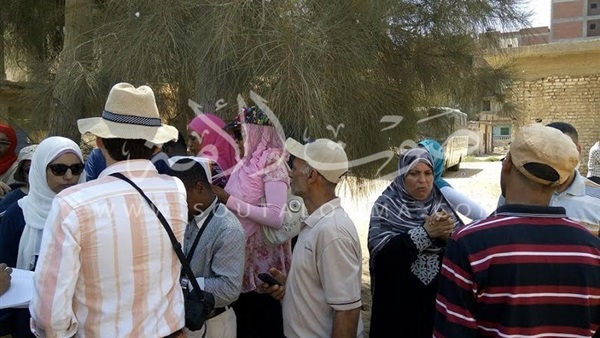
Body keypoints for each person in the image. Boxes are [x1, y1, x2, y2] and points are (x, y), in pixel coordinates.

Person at [29, 83, 187, 337]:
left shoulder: (72, 204)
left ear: (100, 141)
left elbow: (49, 315)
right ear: (156, 147)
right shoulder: (175, 191)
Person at [434, 123, 600, 337]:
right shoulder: (593, 250)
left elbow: (451, 331)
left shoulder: (470, 244)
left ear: (508, 165)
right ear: (559, 182)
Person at [262, 138, 363, 338]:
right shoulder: (316, 223)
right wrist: (292, 286)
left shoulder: (332, 232)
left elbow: (347, 312)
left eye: (295, 167)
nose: (290, 172)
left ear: (312, 176)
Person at [367, 147, 464, 338]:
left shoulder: (442, 206)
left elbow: (464, 255)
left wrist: (448, 238)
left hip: (436, 311)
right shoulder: (385, 206)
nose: (423, 180)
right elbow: (381, 254)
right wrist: (425, 233)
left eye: (428, 173)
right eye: (414, 173)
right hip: (396, 312)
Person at [212, 105, 291, 338]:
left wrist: (228, 200)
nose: (236, 140)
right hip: (240, 261)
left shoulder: (273, 161)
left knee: (261, 325)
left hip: (263, 271)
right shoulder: (246, 163)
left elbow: (276, 217)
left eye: (240, 133)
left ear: (259, 132)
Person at [0, 137, 82, 338]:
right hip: (26, 321)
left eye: (77, 168)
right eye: (59, 169)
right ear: (40, 170)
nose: (69, 176)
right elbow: (4, 269)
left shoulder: (88, 212)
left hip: (79, 320)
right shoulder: (18, 214)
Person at [170, 158, 245, 338]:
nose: (176, 204)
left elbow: (229, 288)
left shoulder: (228, 228)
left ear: (199, 188)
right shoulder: (185, 216)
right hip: (185, 320)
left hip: (213, 325)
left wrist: (181, 284)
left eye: (180, 197)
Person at [497, 122, 600, 235]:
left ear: (578, 150)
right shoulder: (517, 193)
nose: (554, 156)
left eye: (562, 150)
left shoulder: (597, 198)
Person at [418, 139, 489, 220]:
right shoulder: (407, 186)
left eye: (425, 157)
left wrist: (464, 232)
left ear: (435, 161)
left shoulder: (443, 190)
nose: (418, 160)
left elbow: (483, 216)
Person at [0, 144, 37, 213]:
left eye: (41, 168)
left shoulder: (61, 197)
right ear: (22, 173)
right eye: (29, 170)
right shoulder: (11, 199)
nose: (35, 174)